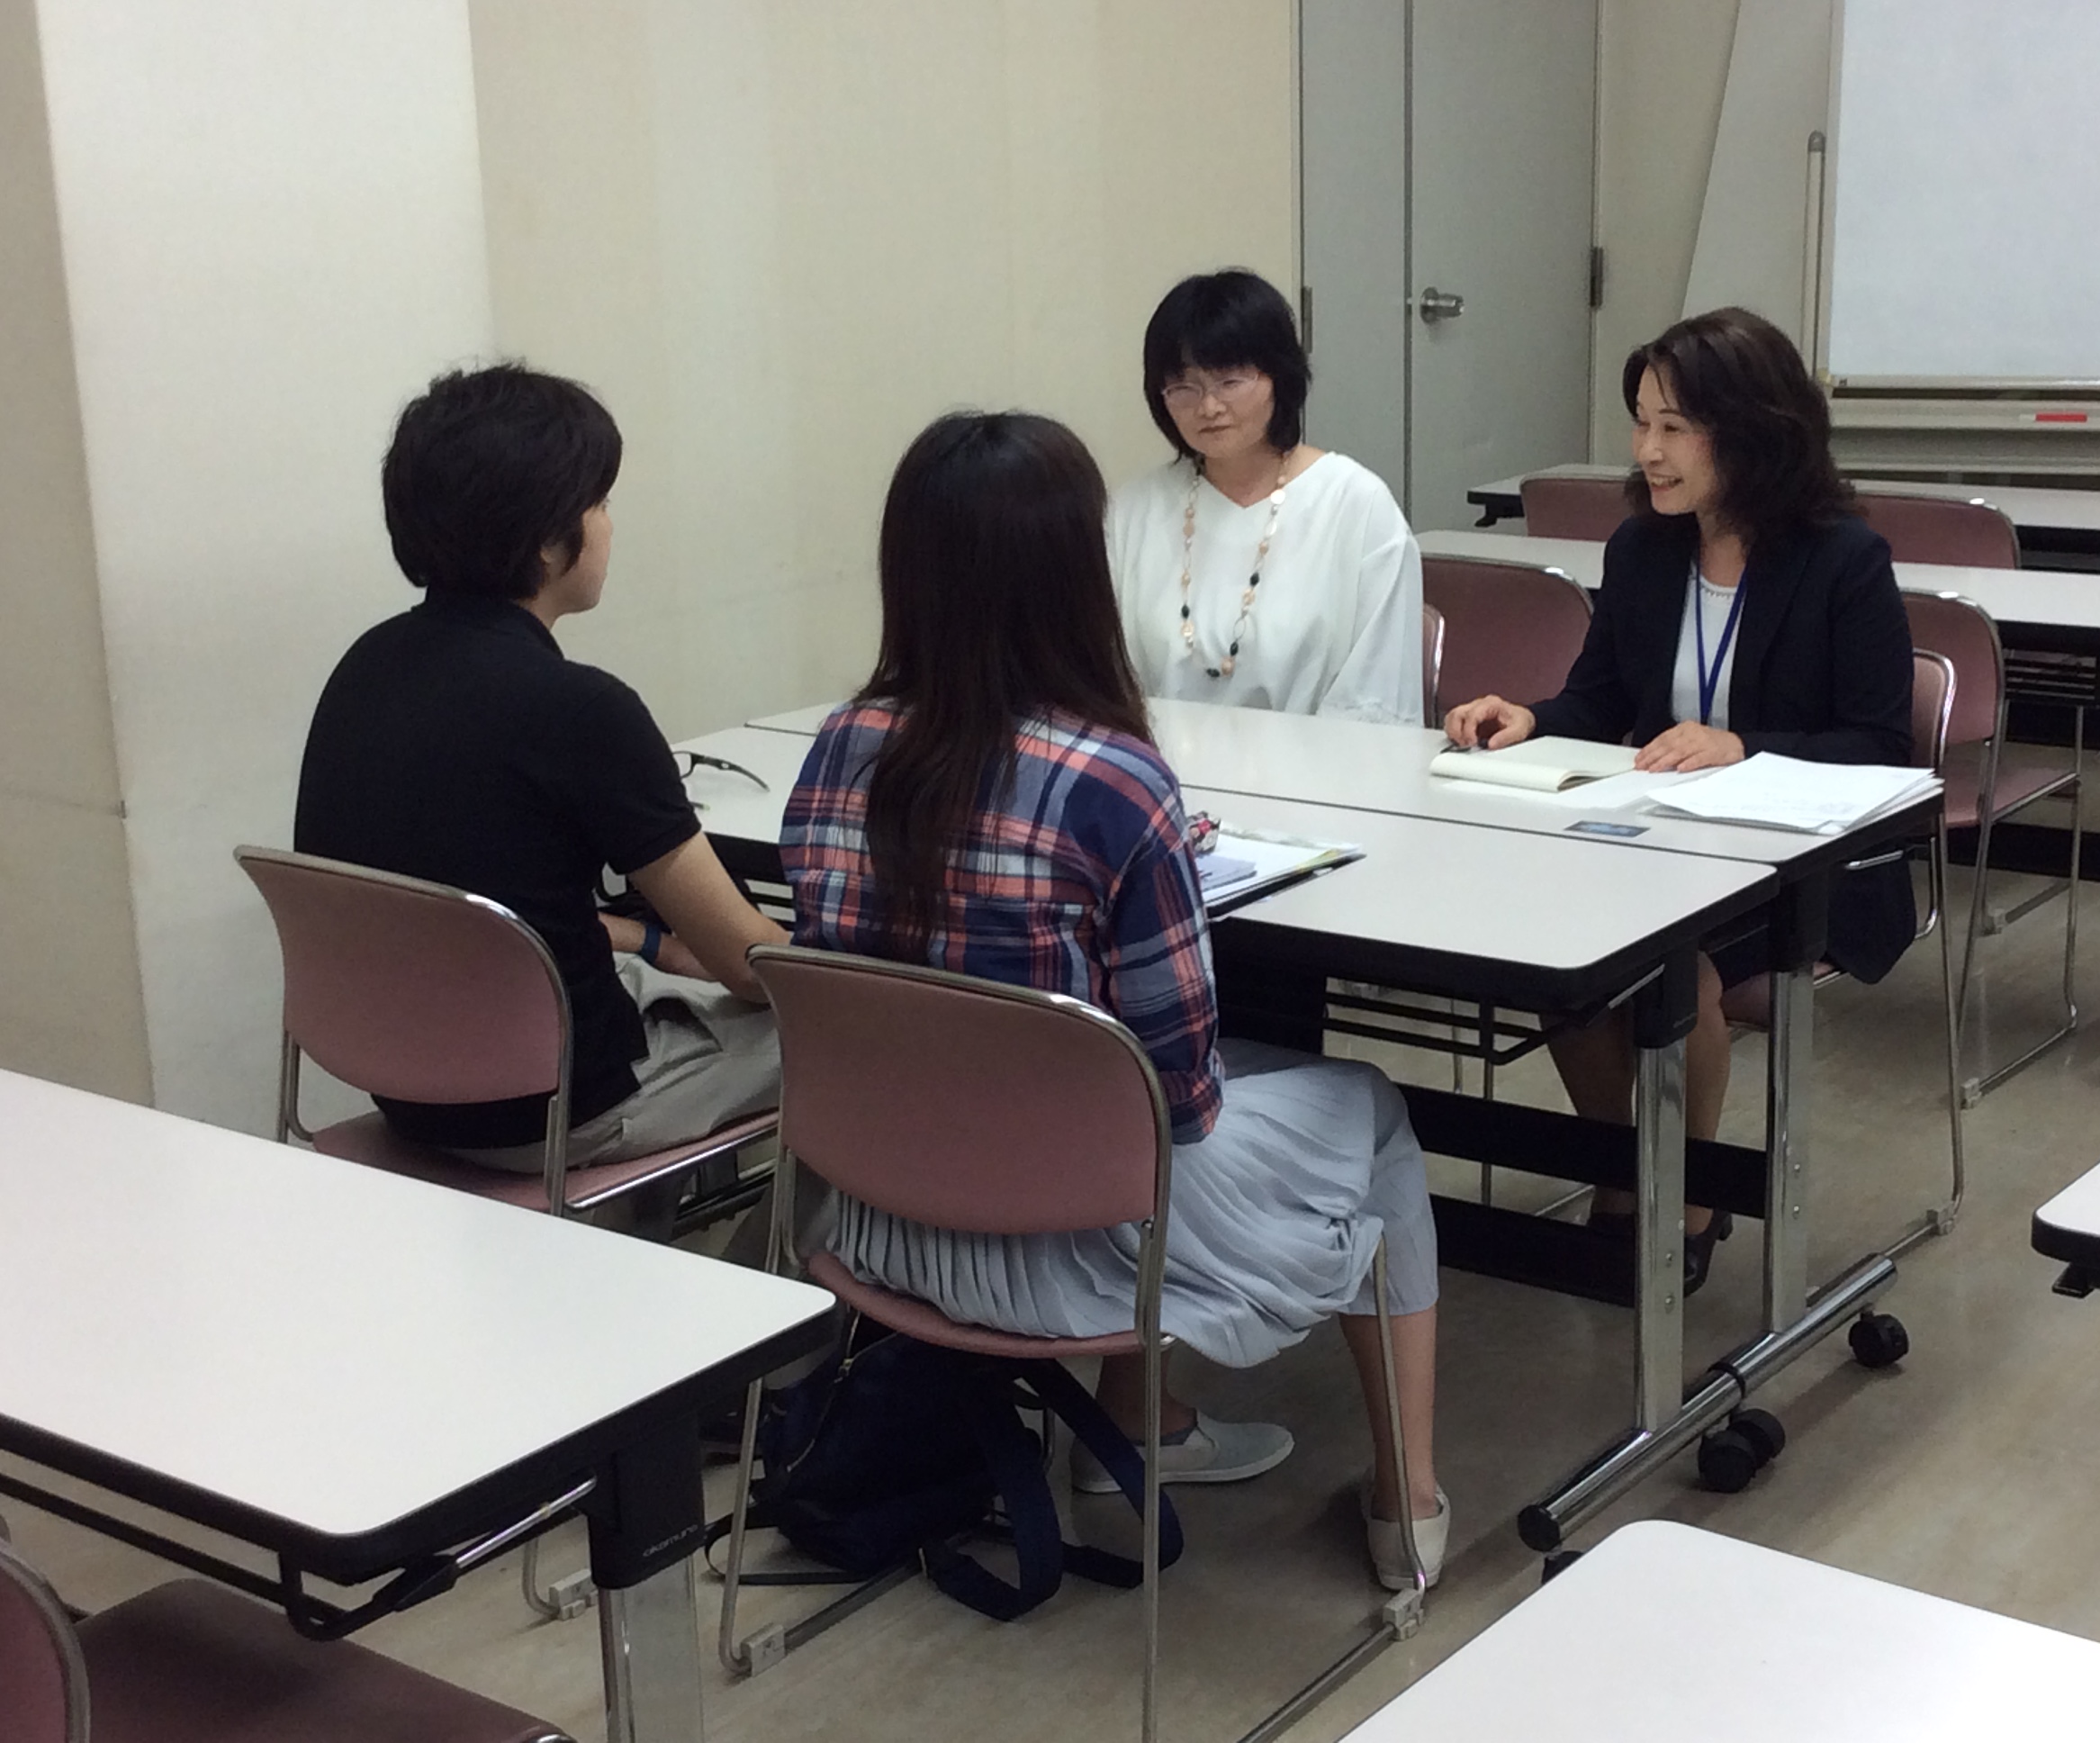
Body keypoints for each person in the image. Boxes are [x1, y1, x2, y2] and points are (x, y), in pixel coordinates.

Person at [782, 411, 1448, 1589]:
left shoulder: (840, 747)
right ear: (1071, 575)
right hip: (1063, 1251)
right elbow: (1179, 1101)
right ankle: (1409, 1505)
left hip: (878, 1226)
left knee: (1109, 1086)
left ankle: (1148, 1426)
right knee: (1371, 1114)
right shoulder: (1115, 782)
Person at [1442, 307, 1917, 1292]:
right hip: (1663, 843)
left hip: (1802, 862)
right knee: (1570, 964)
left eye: (1673, 427)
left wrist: (1742, 748)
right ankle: (1622, 1171)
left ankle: (1691, 1194)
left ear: (1752, 431)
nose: (1646, 450)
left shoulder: (1842, 560)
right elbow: (1597, 700)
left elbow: (1879, 747)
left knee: (1677, 975)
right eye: (1641, 423)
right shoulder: (1643, 550)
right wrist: (1528, 717)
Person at [295, 363, 788, 1184]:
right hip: (557, 1113)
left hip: (408, 1087)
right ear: (548, 538)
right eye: (600, 502)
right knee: (866, 1043)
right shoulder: (580, 709)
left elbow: (486, 914)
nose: (609, 526)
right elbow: (747, 963)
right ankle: (809, 1272)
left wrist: (655, 944)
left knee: (665, 984)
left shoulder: (365, 667)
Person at [1106, 269, 1423, 725]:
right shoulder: (1133, 511)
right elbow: (1104, 680)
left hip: (1320, 764)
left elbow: (1377, 700)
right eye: (1183, 387)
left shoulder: (1355, 505)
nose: (1208, 407)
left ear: (1279, 377)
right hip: (1155, 762)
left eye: (1230, 381)